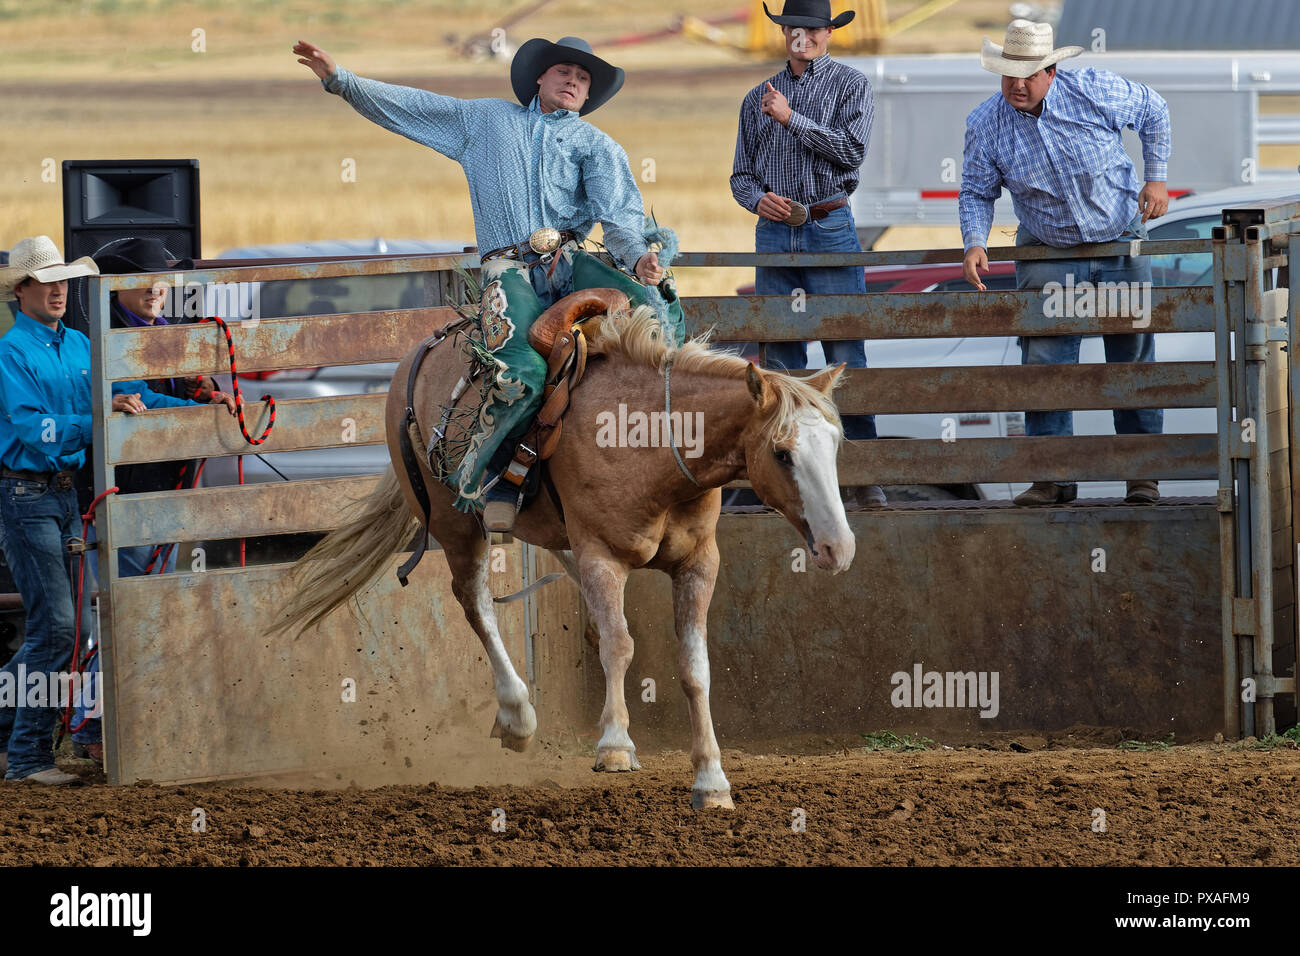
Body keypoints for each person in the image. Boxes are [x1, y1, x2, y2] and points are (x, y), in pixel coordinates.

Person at [295, 35, 682, 532]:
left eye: (583, 79)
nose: (573, 82)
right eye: (564, 71)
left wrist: (642, 259)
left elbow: (621, 220)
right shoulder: (485, 121)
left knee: (655, 318)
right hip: (509, 269)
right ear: (539, 78)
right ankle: (490, 475)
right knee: (521, 371)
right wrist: (340, 79)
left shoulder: (598, 146)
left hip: (569, 264)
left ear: (588, 95)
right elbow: (415, 108)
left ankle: (660, 457)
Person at [0, 236, 224, 781]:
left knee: (68, 627)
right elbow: (35, 429)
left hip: (62, 494)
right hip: (26, 494)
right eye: (46, 281)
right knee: (59, 625)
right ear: (22, 290)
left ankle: (23, 743)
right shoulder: (11, 353)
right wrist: (100, 416)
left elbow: (128, 393)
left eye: (62, 280)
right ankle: (27, 756)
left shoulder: (78, 344)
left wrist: (195, 410)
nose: (58, 289)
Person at [959, 19, 1170, 506]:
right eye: (1008, 73)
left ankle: (1143, 475)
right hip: (1049, 248)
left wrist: (1157, 179)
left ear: (1051, 71)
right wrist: (974, 241)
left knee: (1132, 356)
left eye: (1028, 74)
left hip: (1117, 239)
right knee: (1046, 363)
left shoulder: (1093, 89)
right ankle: (1052, 476)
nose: (1017, 84)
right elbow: (974, 189)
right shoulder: (986, 123)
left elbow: (1154, 110)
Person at [731, 0, 886, 509]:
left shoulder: (850, 85)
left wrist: (792, 118)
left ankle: (863, 475)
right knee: (779, 353)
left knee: (845, 349)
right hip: (776, 232)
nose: (805, 37)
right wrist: (758, 199)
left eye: (814, 29)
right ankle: (787, 478)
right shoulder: (755, 97)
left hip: (830, 223)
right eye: (796, 28)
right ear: (784, 33)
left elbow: (851, 152)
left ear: (828, 34)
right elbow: (740, 175)